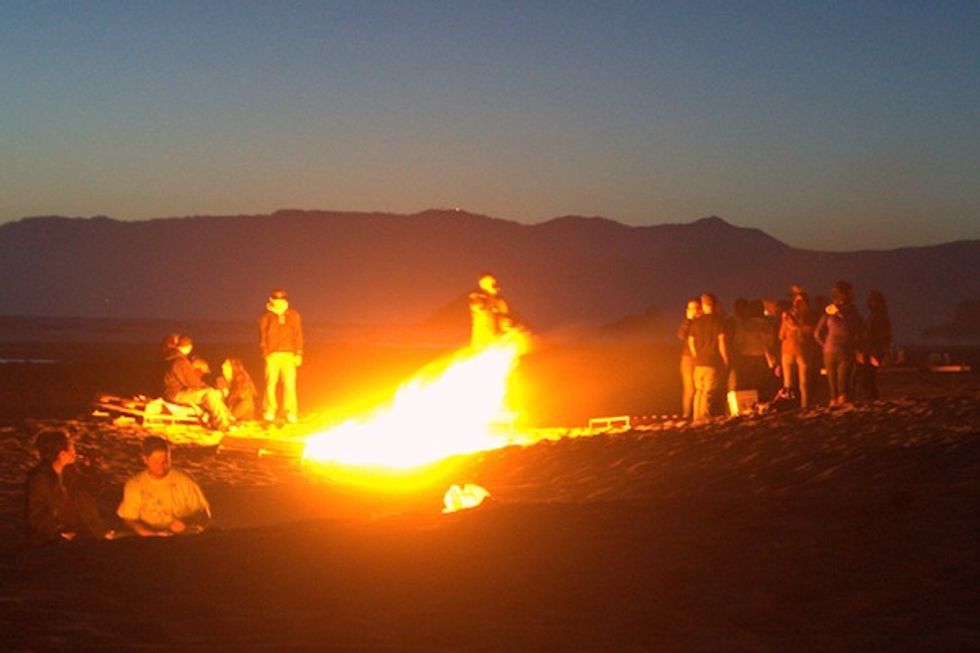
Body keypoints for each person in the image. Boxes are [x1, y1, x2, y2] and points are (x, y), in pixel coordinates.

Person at [25, 429, 112, 544]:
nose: (75, 452)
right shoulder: (39, 479)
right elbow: (36, 514)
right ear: (61, 454)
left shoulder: (70, 472)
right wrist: (58, 531)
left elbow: (91, 492)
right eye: (71, 448)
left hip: (76, 532)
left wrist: (93, 469)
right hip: (52, 538)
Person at [117, 436, 211, 537]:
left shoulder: (185, 481)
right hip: (148, 540)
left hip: (182, 538)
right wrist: (149, 533)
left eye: (165, 461)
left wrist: (185, 522)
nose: (161, 466)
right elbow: (129, 519)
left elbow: (204, 514)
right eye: (156, 462)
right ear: (145, 459)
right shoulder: (135, 485)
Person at [163, 334, 232, 431]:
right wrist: (208, 388)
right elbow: (192, 382)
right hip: (175, 394)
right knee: (209, 394)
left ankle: (225, 418)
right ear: (188, 347)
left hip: (172, 392)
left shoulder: (172, 358)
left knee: (208, 394)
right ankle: (223, 424)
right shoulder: (179, 361)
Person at [814, 280, 866, 405]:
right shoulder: (854, 313)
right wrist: (858, 349)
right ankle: (843, 415)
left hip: (829, 351)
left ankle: (832, 414)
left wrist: (825, 344)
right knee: (843, 387)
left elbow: (817, 333)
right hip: (845, 351)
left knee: (833, 389)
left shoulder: (829, 312)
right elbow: (862, 333)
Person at [259, 289, 303, 423]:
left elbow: (298, 334)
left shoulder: (293, 315)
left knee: (289, 384)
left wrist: (299, 353)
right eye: (275, 300)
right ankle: (269, 410)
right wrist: (265, 353)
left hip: (289, 355)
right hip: (272, 355)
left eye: (281, 300)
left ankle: (290, 411)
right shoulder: (266, 316)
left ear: (285, 300)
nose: (278, 303)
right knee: (270, 384)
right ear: (271, 300)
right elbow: (262, 337)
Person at [688, 293, 729, 421]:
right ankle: (704, 418)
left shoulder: (696, 322)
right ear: (715, 305)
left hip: (699, 363)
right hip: (713, 362)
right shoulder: (719, 322)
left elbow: (691, 341)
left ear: (703, 305)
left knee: (699, 392)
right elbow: (722, 342)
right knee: (708, 393)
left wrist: (696, 356)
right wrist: (725, 359)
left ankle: (696, 417)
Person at [779, 292, 815, 407]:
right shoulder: (787, 317)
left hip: (801, 351)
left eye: (800, 301)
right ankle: (788, 405)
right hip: (788, 352)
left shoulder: (809, 316)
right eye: (796, 301)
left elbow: (811, 330)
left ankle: (804, 406)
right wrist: (787, 323)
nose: (797, 303)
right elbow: (781, 335)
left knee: (803, 383)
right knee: (788, 383)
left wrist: (794, 326)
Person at [469, 273, 514, 349]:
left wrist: (506, 323)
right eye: (488, 283)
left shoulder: (500, 302)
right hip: (482, 336)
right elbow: (479, 309)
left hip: (497, 337)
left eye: (493, 283)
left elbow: (505, 317)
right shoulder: (478, 299)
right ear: (482, 285)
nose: (493, 286)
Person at [862, 290, 892, 400]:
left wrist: (874, 353)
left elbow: (879, 336)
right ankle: (871, 399)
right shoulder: (877, 316)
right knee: (869, 379)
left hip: (873, 351)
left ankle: (872, 400)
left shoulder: (878, 317)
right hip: (871, 350)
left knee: (869, 379)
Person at [677, 298, 701, 419]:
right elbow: (681, 335)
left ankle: (698, 414)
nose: (694, 310)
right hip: (688, 358)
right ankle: (687, 414)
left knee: (700, 388)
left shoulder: (703, 322)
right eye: (691, 308)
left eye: (696, 308)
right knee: (689, 389)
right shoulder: (687, 323)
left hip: (701, 358)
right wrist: (688, 320)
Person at [216, 357, 258, 421]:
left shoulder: (243, 380)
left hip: (241, 414)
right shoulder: (221, 381)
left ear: (234, 368)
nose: (223, 367)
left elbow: (246, 399)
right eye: (223, 366)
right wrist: (222, 393)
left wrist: (233, 394)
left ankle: (231, 418)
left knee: (247, 400)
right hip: (227, 411)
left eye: (227, 365)